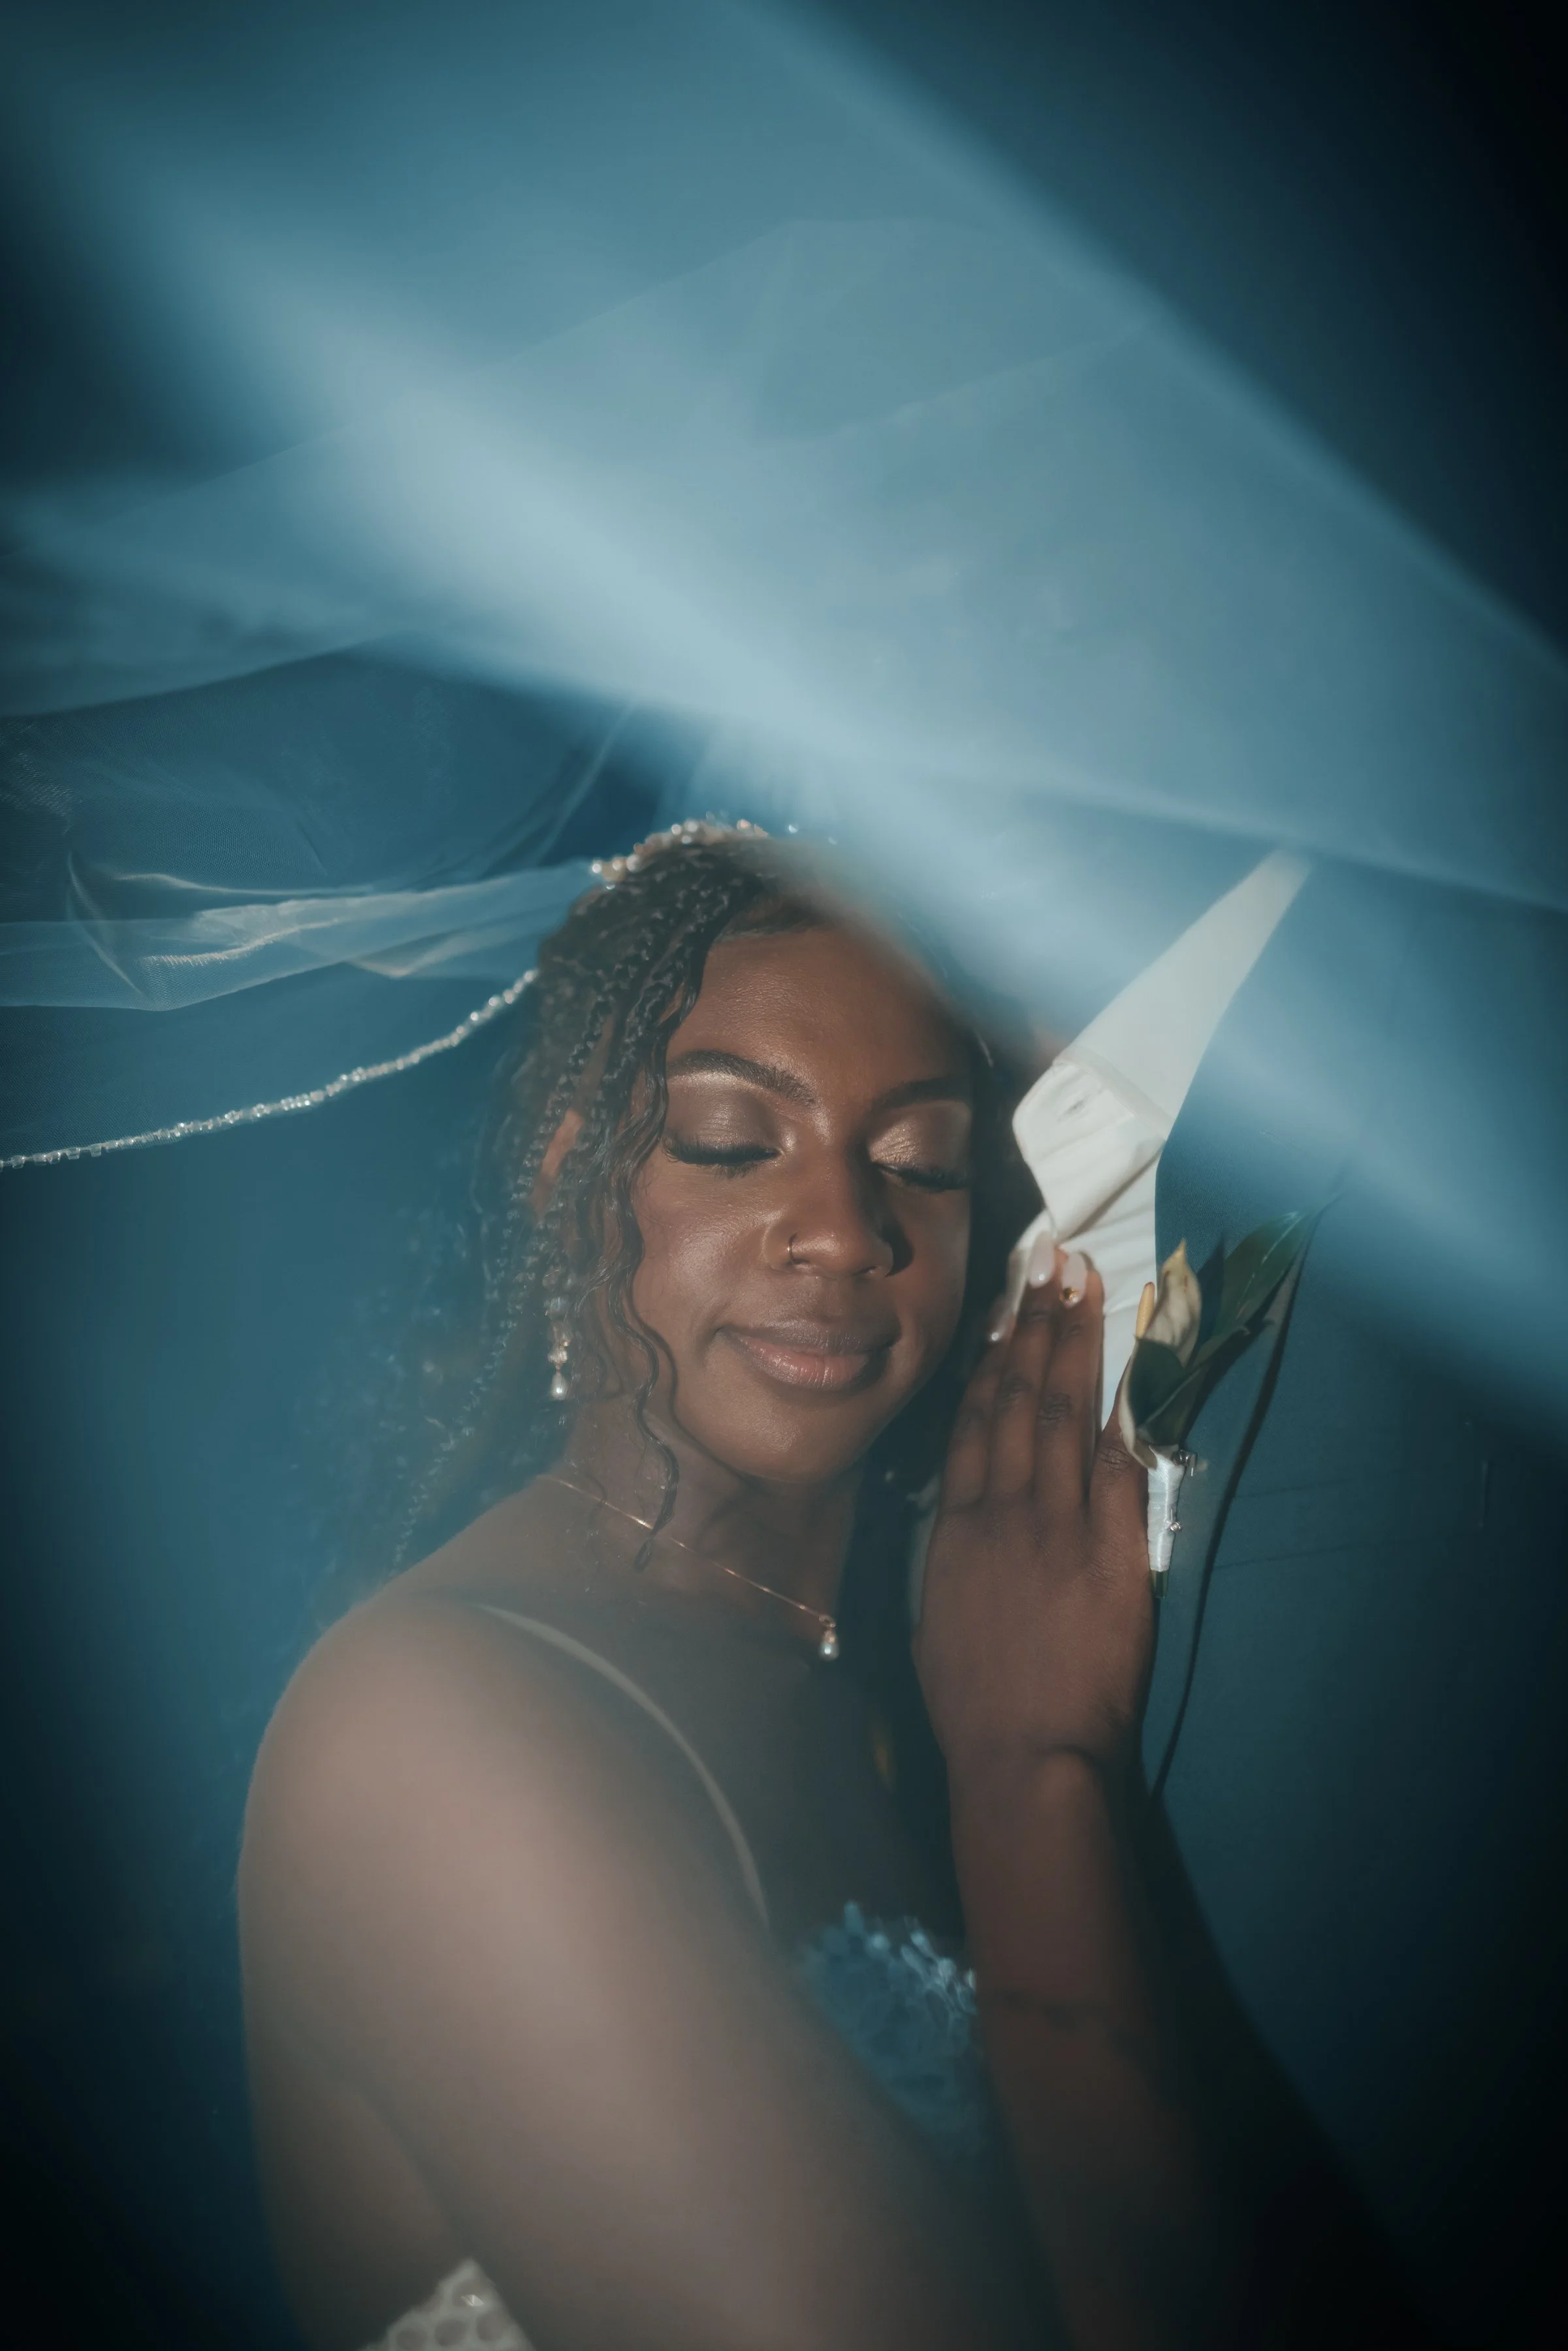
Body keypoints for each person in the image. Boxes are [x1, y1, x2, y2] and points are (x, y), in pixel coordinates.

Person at [238, 824, 1247, 2351]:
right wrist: (1033, 1775)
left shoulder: (877, 1663)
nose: (848, 1232)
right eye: (730, 1140)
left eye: (920, 1161)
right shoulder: (429, 1730)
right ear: (572, 1168)